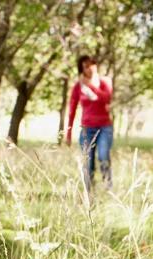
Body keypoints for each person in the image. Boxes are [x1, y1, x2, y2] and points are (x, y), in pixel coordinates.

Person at [65, 55, 114, 191]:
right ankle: (88, 192)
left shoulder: (105, 82)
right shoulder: (78, 87)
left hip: (104, 127)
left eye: (91, 64)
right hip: (87, 128)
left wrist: (91, 86)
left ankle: (108, 188)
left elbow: (106, 98)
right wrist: (68, 132)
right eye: (85, 66)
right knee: (88, 162)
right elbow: (72, 109)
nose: (90, 68)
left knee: (103, 156)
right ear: (82, 70)